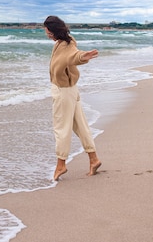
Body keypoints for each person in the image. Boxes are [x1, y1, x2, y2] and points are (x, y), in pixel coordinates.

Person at [43, 15, 102, 181]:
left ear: (53, 30)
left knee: (61, 128)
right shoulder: (63, 43)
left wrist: (83, 57)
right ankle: (94, 159)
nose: (46, 33)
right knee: (81, 126)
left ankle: (61, 164)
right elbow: (73, 55)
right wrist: (80, 56)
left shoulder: (67, 46)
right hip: (71, 91)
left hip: (63, 92)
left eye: (47, 30)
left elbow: (74, 56)